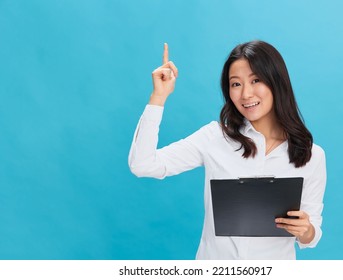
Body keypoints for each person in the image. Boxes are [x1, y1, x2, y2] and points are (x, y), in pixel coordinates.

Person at [128, 40, 326, 260]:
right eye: (236, 84)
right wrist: (158, 97)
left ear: (277, 82)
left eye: (256, 80)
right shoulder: (214, 138)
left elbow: (312, 234)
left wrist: (306, 230)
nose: (246, 94)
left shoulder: (311, 155)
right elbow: (143, 165)